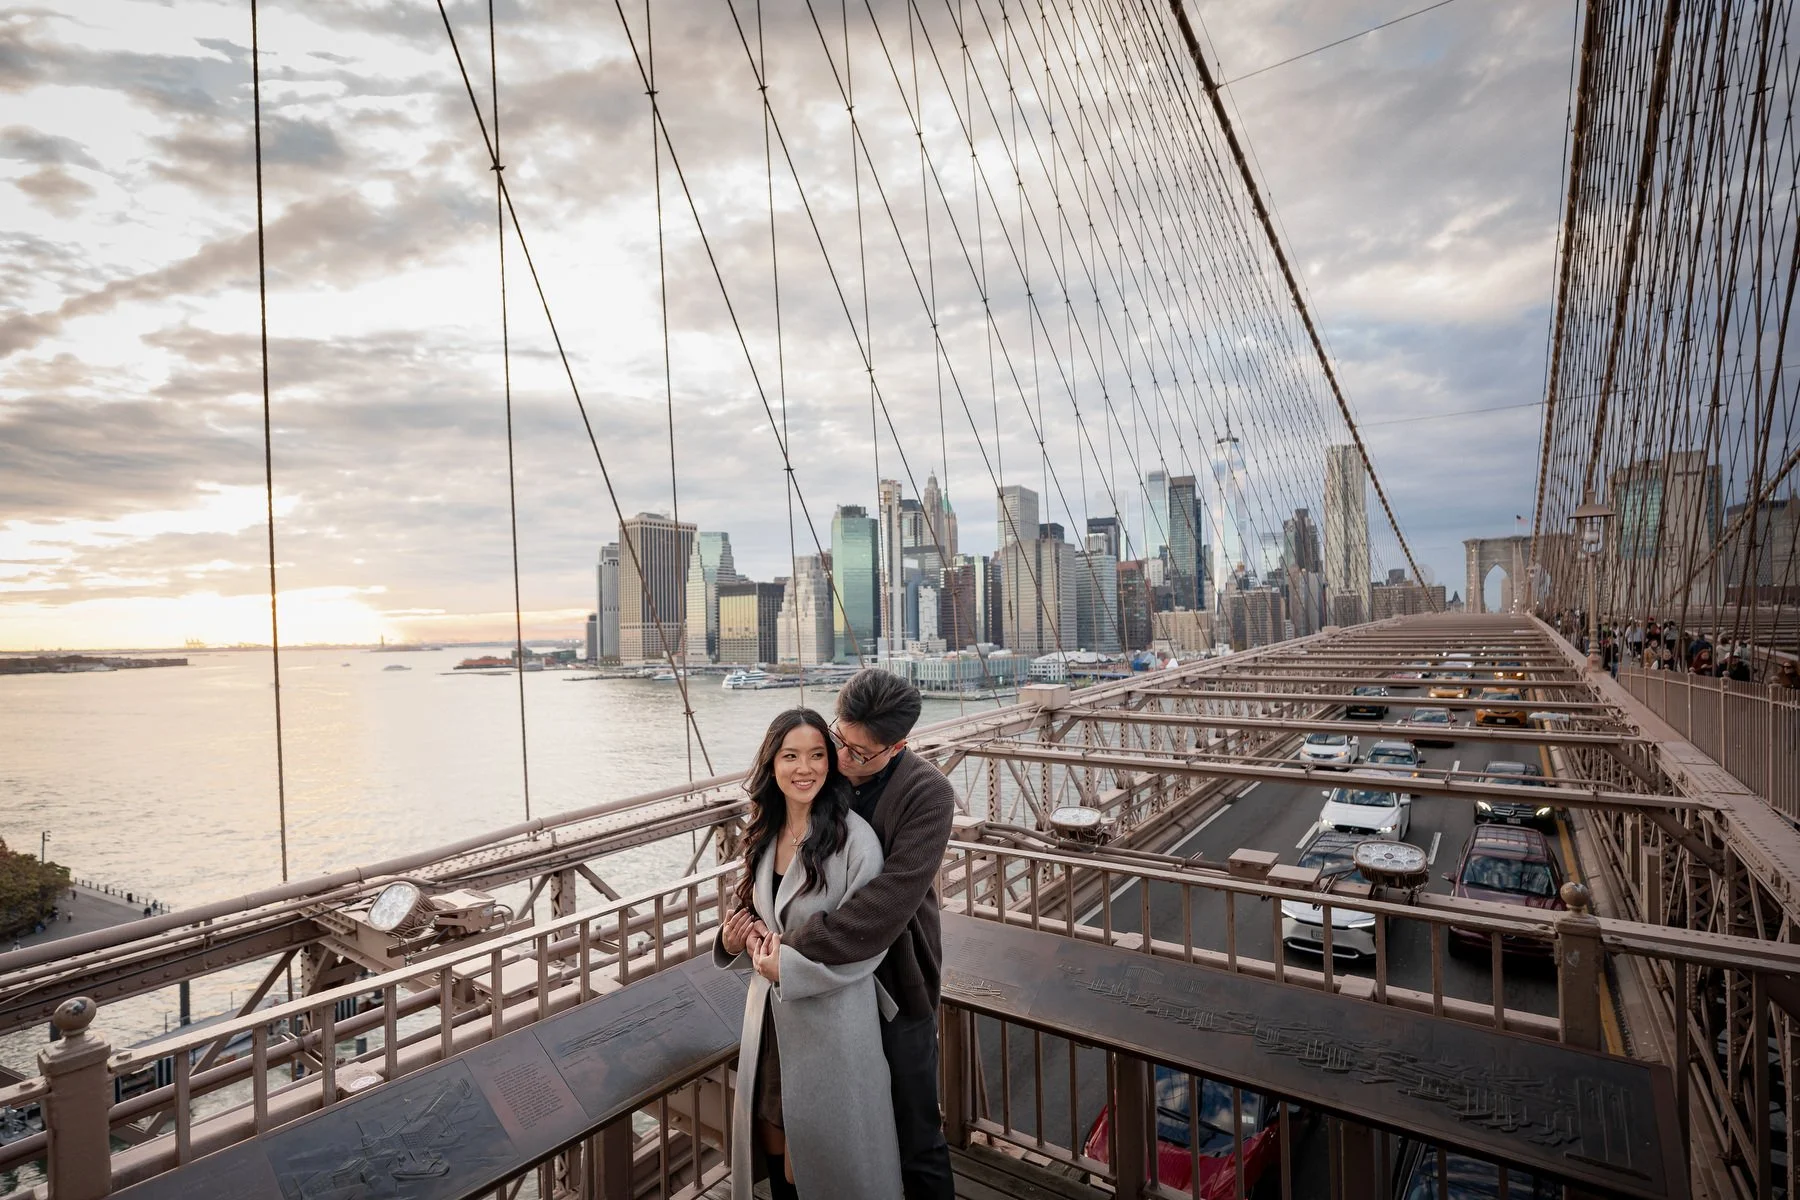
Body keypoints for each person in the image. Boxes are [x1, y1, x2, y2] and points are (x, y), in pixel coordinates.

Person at [776, 669, 958, 1200]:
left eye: (861, 753)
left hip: (898, 988)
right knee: (826, 1122)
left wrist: (789, 950)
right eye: (841, 741)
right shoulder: (824, 769)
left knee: (916, 1136)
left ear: (898, 746)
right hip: (826, 989)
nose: (845, 760)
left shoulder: (928, 793)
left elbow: (888, 905)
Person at [715, 708, 903, 1200]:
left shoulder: (856, 841)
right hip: (771, 1021)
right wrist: (735, 941)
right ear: (771, 764)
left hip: (832, 1025)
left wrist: (790, 968)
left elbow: (868, 945)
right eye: (791, 756)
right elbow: (760, 918)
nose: (805, 768)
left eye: (818, 755)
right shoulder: (763, 833)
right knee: (772, 1138)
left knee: (820, 1164)